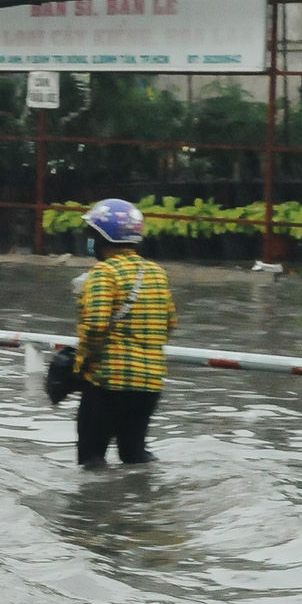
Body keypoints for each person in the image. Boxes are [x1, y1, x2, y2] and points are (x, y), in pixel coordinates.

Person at [74, 198, 177, 468]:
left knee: (92, 459)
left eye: (92, 235)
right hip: (150, 385)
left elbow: (95, 327)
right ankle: (141, 505)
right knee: (134, 454)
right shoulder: (157, 273)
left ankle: (96, 509)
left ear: (100, 238)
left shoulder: (103, 274)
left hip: (109, 383)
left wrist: (79, 365)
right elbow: (170, 324)